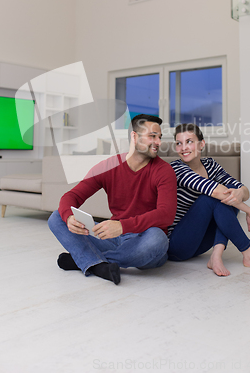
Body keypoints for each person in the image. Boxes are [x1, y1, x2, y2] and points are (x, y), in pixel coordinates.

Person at [48, 114, 177, 285]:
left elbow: (166, 214)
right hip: (112, 238)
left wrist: (123, 226)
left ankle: (87, 260)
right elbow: (71, 196)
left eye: (159, 137)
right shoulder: (109, 166)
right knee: (57, 217)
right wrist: (69, 217)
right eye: (152, 136)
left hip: (144, 240)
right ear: (134, 136)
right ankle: (98, 263)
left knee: (158, 239)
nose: (159, 142)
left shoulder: (164, 171)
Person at [168, 123, 250, 276]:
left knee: (231, 191)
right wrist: (248, 209)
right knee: (211, 197)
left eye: (189, 141)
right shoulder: (177, 169)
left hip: (200, 244)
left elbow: (243, 190)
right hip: (177, 246)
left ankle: (216, 255)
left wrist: (240, 193)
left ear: (201, 144)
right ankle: (249, 253)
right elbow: (213, 190)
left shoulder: (210, 165)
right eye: (179, 143)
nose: (183, 148)